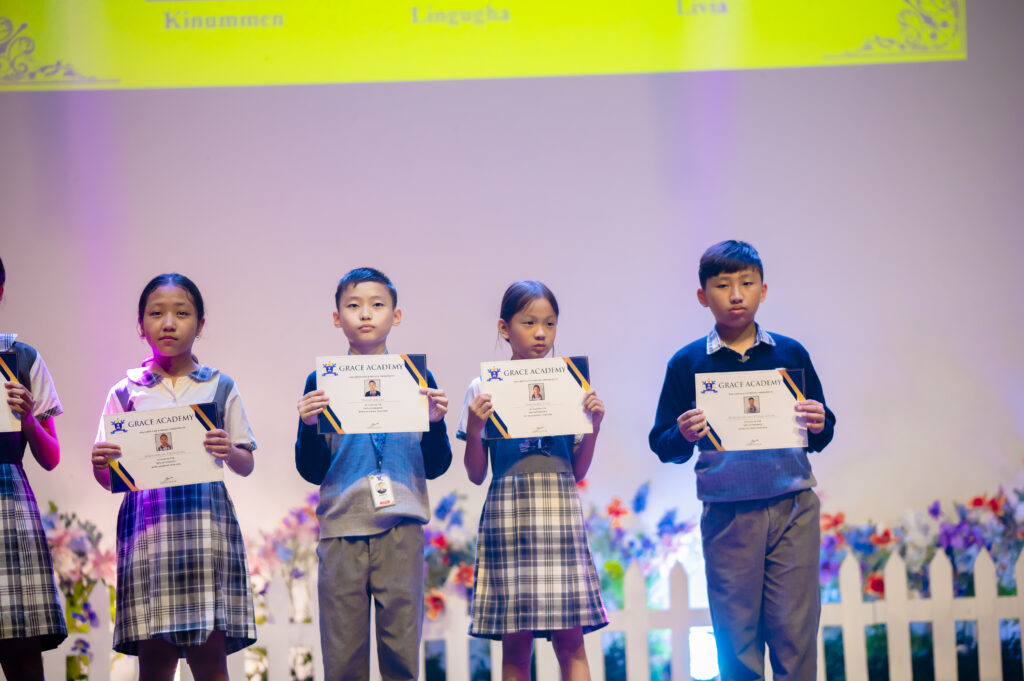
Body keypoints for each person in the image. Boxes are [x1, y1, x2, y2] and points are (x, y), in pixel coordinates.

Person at [648, 241, 836, 680]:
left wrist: (819, 421)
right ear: (702, 296)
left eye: (747, 284)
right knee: (735, 639)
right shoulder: (688, 363)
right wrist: (683, 433)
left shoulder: (790, 354)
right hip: (728, 512)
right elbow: (663, 443)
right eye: (722, 285)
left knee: (795, 634)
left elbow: (821, 431)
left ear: (763, 290)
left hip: (792, 507)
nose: (736, 295)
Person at [91, 273, 257, 681]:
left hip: (206, 531)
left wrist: (228, 450)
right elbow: (109, 479)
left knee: (210, 657)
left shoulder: (219, 386)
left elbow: (245, 462)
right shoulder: (125, 392)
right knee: (154, 659)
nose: (169, 323)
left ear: (200, 324)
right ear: (141, 324)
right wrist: (100, 463)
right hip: (148, 532)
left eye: (182, 313)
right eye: (156, 314)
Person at [295, 267, 452, 681]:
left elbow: (437, 465)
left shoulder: (417, 378)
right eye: (353, 305)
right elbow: (311, 470)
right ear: (337, 318)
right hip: (341, 528)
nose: (365, 314)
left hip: (401, 529)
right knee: (343, 659)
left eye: (377, 305)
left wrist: (436, 422)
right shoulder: (322, 380)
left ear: (395, 316)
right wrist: (308, 426)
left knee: (401, 658)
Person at [460, 280, 607, 681]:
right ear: (504, 328)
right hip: (509, 517)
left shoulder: (571, 384)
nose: (541, 333)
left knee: (571, 640)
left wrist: (594, 426)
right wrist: (474, 429)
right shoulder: (483, 388)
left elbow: (577, 471)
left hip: (560, 513)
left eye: (550, 323)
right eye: (529, 323)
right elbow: (475, 473)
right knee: (515, 646)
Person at [0, 256, 67, 680]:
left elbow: (51, 456)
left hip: (8, 504)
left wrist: (26, 417)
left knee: (20, 649)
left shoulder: (21, 359)